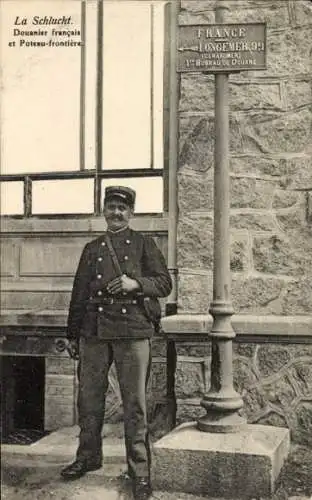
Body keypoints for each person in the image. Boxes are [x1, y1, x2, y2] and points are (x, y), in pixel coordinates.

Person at [60, 186, 172, 500]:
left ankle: (140, 473)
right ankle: (88, 456)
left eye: (122, 208)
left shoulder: (143, 243)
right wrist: (72, 335)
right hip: (94, 332)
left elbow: (165, 283)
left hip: (132, 331)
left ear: (131, 212)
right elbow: (79, 294)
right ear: (104, 210)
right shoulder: (92, 248)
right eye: (111, 207)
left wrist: (135, 283)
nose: (116, 213)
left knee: (134, 405)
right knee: (89, 400)